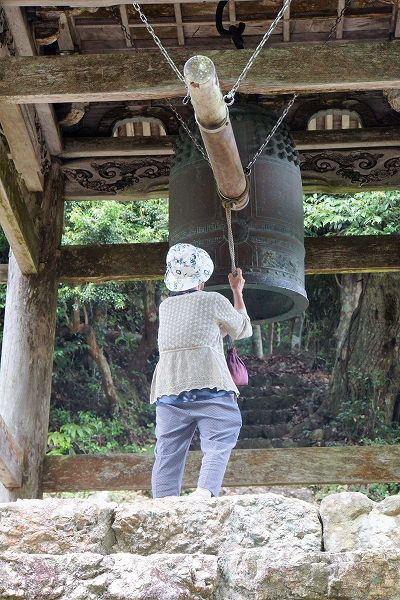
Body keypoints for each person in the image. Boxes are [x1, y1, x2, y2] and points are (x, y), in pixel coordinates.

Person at [150, 242, 252, 499]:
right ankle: (204, 493)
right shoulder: (213, 300)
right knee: (225, 428)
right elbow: (241, 329)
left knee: (167, 452)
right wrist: (237, 292)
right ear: (202, 280)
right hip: (209, 384)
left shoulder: (165, 307)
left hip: (169, 390)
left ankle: (163, 504)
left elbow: (191, 336)